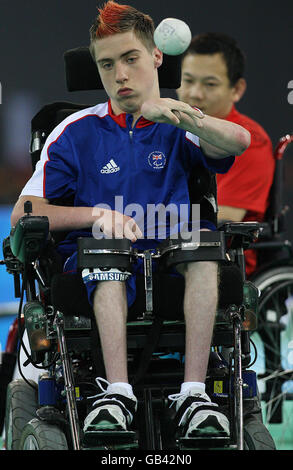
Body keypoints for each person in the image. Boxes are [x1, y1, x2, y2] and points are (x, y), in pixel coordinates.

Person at [10, 1, 251, 440]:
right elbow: (23, 212)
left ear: (156, 56)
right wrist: (96, 214)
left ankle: (194, 393)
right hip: (99, 265)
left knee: (203, 243)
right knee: (106, 247)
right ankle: (116, 393)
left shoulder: (180, 121)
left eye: (130, 59)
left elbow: (240, 140)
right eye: (106, 64)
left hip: (172, 260)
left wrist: (181, 114)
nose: (119, 74)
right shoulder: (74, 131)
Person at [176, 32, 275, 277]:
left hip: (217, 258)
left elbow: (223, 216)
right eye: (187, 80)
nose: (195, 94)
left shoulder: (250, 141)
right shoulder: (168, 126)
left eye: (210, 84)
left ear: (237, 89)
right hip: (164, 245)